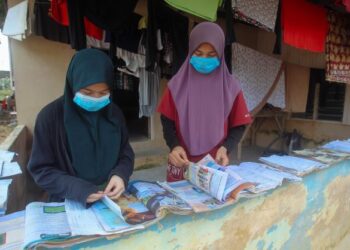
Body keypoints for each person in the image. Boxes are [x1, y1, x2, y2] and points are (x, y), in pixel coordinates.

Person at [28, 49, 134, 205]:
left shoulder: (114, 113)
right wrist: (76, 189)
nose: (96, 98)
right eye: (87, 92)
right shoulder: (50, 117)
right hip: (69, 200)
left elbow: (125, 152)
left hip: (111, 199)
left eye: (103, 92)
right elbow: (41, 170)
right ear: (73, 84)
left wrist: (120, 174)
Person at [157, 22, 252, 182]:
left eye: (211, 55)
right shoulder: (176, 84)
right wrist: (174, 145)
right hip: (181, 160)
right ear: (190, 51)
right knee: (178, 205)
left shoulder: (231, 87)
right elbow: (167, 120)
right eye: (198, 53)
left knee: (214, 206)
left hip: (215, 163)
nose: (204, 59)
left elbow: (239, 125)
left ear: (220, 54)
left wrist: (226, 148)